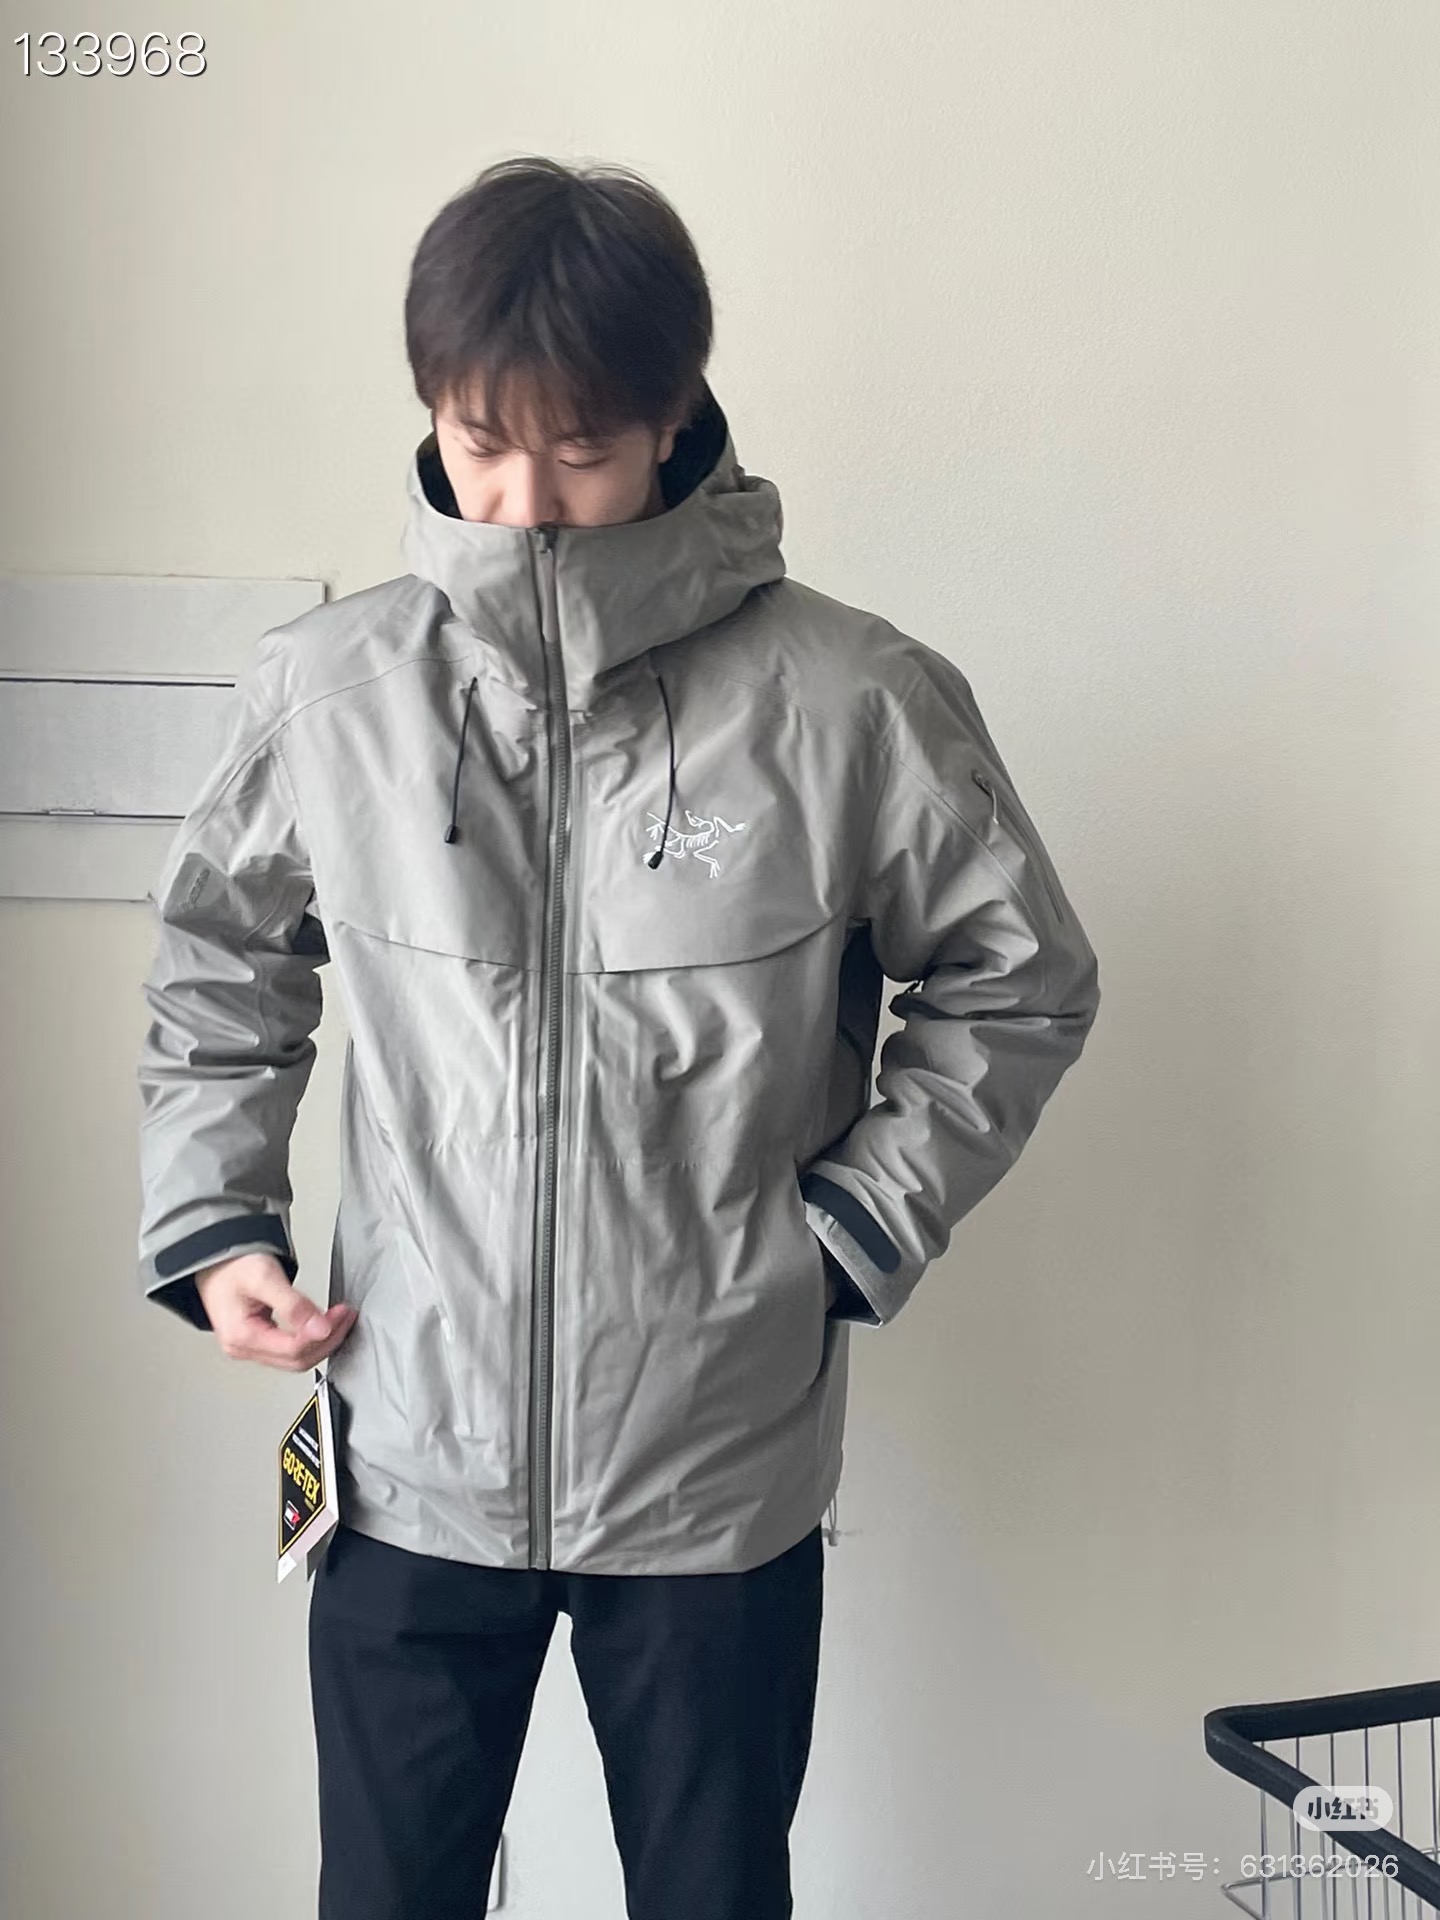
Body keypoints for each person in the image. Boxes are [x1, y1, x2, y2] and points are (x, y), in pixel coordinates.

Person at [135, 154, 1102, 1920]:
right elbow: (222, 959)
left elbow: (1017, 977)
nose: (529, 505)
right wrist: (221, 1230)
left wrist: (843, 1237)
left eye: (581, 447)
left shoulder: (851, 700)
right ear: (432, 416)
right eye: (481, 444)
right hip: (406, 1450)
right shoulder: (331, 693)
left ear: (674, 418)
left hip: (714, 1472)